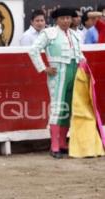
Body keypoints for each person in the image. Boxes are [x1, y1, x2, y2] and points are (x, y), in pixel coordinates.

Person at [28, 8, 85, 159]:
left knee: (69, 107)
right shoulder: (49, 33)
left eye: (68, 18)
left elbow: (80, 55)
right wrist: (43, 68)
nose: (66, 20)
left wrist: (85, 69)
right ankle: (54, 146)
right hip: (58, 72)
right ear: (57, 20)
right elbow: (33, 50)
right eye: (63, 18)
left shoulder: (75, 34)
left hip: (74, 71)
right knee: (58, 107)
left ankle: (62, 143)